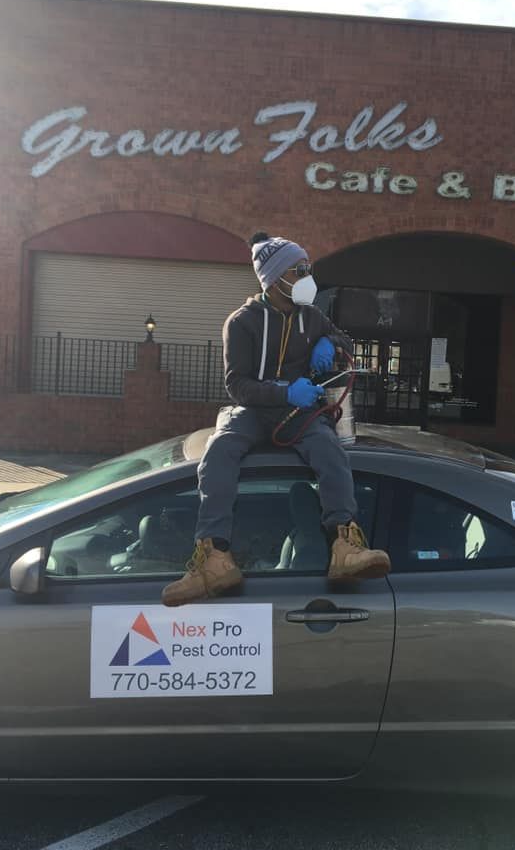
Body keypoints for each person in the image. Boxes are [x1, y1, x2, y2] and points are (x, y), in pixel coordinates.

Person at [162, 232, 391, 605]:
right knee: (218, 454)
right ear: (275, 277)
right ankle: (214, 557)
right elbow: (237, 385)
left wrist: (330, 342)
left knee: (329, 452)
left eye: (307, 268)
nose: (307, 276)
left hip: (299, 415)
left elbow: (344, 339)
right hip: (254, 412)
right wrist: (285, 391)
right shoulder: (241, 323)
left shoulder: (311, 317)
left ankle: (344, 547)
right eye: (299, 269)